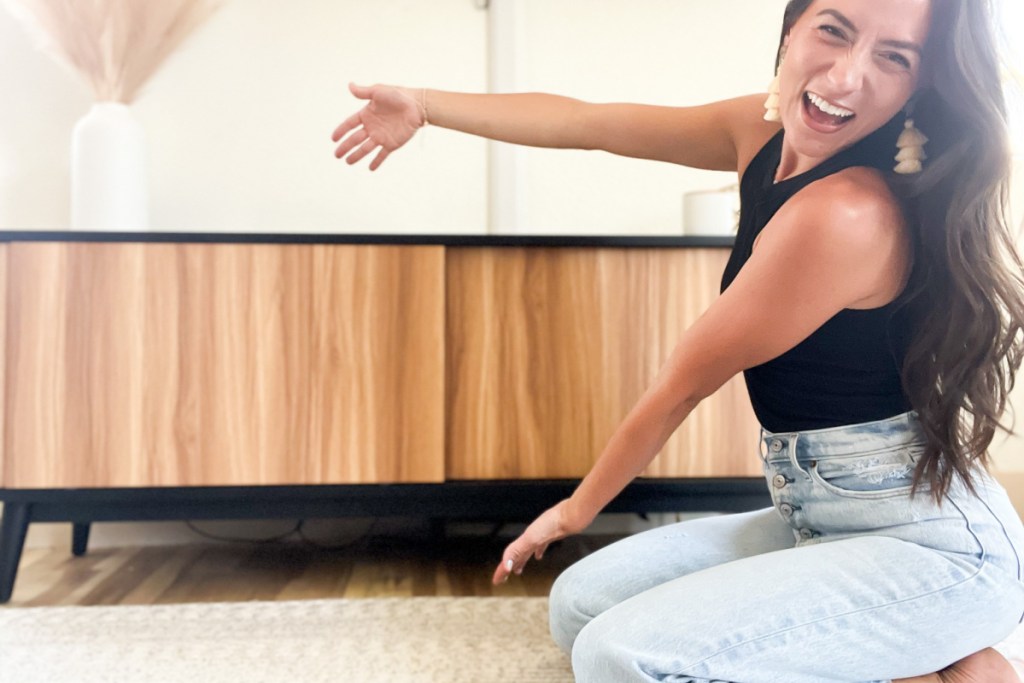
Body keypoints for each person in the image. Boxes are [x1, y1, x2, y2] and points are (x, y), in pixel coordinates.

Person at [331, 0, 1024, 680]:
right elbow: (586, 122)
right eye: (833, 31)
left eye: (892, 57)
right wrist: (423, 103)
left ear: (918, 85)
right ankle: (923, 655)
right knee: (582, 607)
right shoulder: (761, 132)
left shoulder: (847, 213)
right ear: (791, 30)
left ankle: (944, 647)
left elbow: (682, 380)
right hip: (818, 511)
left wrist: (575, 509)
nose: (845, 76)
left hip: (930, 545)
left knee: (620, 658)